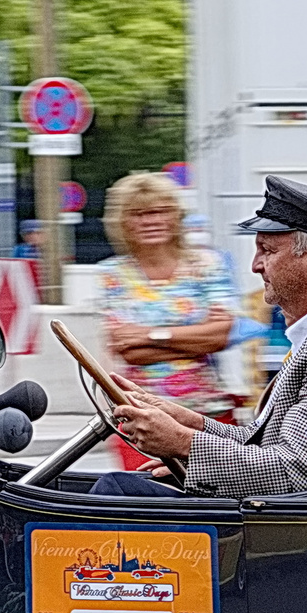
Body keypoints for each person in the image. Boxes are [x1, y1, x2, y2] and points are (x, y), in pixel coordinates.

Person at [93, 176, 307, 498]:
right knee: (123, 488)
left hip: (303, 528)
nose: (255, 265)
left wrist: (183, 442)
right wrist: (188, 422)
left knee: (115, 494)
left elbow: (294, 471)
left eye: (267, 250)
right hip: (297, 514)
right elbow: (268, 443)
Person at [95, 172, 239, 469]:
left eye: (161, 211)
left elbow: (221, 335)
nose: (151, 221)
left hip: (207, 415)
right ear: (122, 222)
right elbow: (129, 351)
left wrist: (149, 334)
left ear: (177, 217)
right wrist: (194, 340)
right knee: (145, 503)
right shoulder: (113, 274)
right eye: (139, 214)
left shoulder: (207, 264)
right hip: (140, 417)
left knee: (208, 505)